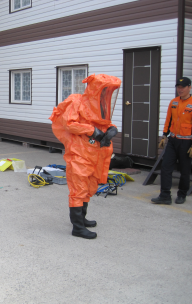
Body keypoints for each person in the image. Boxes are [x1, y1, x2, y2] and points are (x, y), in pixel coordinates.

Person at [49, 74, 121, 239]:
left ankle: (82, 218)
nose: (106, 94)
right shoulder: (77, 102)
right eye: (104, 90)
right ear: (96, 89)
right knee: (79, 189)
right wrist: (91, 131)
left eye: (108, 91)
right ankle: (77, 227)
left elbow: (103, 122)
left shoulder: (100, 105)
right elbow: (70, 124)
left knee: (89, 186)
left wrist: (112, 129)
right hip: (79, 153)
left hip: (95, 153)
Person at [151, 77, 192, 205]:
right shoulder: (174, 102)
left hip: (187, 143)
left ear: (189, 87)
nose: (180, 89)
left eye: (183, 87)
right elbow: (169, 119)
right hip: (173, 141)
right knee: (165, 167)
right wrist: (164, 135)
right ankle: (165, 195)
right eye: (178, 87)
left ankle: (182, 194)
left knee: (184, 170)